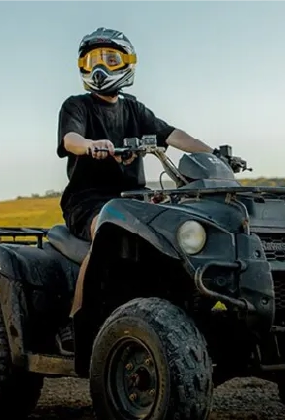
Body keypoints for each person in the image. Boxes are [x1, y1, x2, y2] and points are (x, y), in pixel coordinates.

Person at [55, 27, 219, 354]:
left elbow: (173, 135)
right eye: (93, 60)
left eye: (111, 59)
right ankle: (76, 323)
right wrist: (89, 145)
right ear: (83, 66)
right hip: (89, 202)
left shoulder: (133, 109)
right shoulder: (77, 106)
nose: (100, 67)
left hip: (135, 201)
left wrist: (211, 152)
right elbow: (69, 140)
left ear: (127, 63)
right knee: (106, 232)